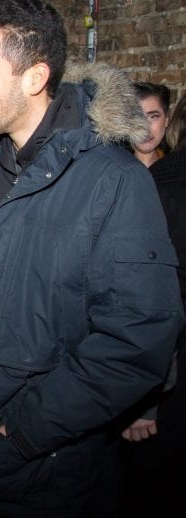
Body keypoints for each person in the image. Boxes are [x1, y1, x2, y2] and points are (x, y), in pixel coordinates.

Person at [0, 0, 183, 517]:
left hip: (39, 473)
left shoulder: (114, 180)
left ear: (35, 77)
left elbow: (138, 337)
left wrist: (20, 432)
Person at [119, 92, 186, 517]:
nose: (146, 127)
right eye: (137, 117)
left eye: (155, 115)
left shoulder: (166, 180)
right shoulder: (118, 176)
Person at [131, 81, 170, 168]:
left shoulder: (178, 168)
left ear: (166, 120)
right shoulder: (110, 169)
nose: (146, 128)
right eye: (137, 117)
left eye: (154, 117)